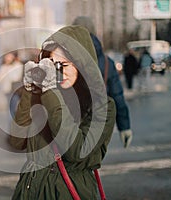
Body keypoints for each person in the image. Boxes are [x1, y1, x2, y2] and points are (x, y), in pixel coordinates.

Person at [9, 26, 116, 199]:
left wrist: (51, 94)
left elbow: (77, 152)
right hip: (31, 191)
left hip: (66, 192)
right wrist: (30, 90)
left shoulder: (102, 106)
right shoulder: (43, 96)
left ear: (82, 66)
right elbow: (17, 141)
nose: (58, 71)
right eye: (52, 64)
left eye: (63, 64)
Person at [72, 16, 133, 147]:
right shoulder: (107, 62)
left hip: (68, 125)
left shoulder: (63, 57)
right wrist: (125, 127)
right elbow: (117, 97)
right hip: (97, 125)